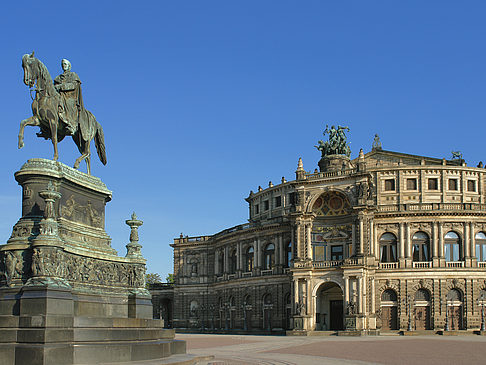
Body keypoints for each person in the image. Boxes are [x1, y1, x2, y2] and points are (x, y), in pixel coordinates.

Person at [54, 59, 85, 134]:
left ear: (69, 66)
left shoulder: (73, 75)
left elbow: (73, 85)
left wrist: (61, 86)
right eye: (63, 64)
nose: (64, 66)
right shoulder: (58, 78)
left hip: (69, 97)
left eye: (65, 64)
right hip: (60, 96)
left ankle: (71, 125)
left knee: (68, 103)